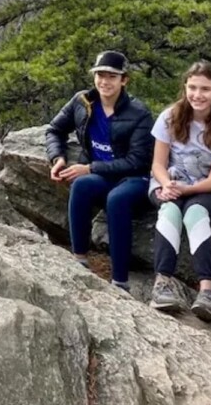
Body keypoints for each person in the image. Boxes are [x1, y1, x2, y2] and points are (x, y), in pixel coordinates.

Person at [46, 50, 154, 293]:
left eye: (112, 77)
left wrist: (89, 167)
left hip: (134, 178)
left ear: (124, 80)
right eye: (100, 75)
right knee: (81, 185)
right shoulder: (82, 102)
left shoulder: (139, 113)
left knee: (117, 199)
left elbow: (138, 160)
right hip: (102, 176)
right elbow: (54, 130)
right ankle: (79, 260)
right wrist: (57, 158)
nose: (104, 81)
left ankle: (119, 281)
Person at [148, 61, 211, 322]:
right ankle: (162, 284)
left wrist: (187, 189)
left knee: (195, 214)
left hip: (204, 188)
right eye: (192, 87)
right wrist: (166, 184)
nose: (197, 95)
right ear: (185, 88)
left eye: (205, 89)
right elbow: (158, 163)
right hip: (170, 182)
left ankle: (207, 292)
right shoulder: (170, 117)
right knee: (169, 212)